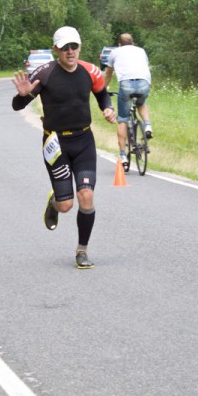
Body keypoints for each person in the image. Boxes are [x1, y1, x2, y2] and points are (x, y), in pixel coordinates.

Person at [12, 26, 116, 269]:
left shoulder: (90, 71)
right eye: (64, 47)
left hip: (84, 141)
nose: (70, 52)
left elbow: (102, 95)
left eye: (74, 46)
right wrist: (23, 96)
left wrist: (107, 108)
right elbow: (18, 105)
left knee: (86, 196)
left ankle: (82, 250)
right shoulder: (44, 74)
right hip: (56, 143)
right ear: (55, 50)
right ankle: (55, 203)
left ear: (79, 47)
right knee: (66, 205)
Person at [103, 33, 152, 169]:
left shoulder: (115, 52)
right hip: (144, 82)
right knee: (141, 102)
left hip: (126, 84)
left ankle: (123, 154)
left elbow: (108, 73)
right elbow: (145, 67)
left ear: (119, 44)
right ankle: (147, 125)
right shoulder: (141, 51)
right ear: (133, 43)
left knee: (123, 119)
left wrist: (103, 89)